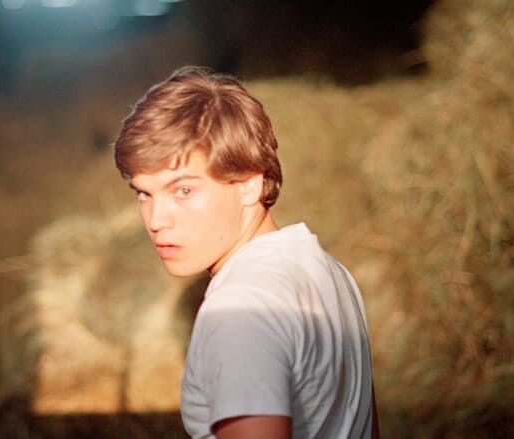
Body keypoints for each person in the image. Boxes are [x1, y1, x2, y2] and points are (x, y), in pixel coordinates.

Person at [114, 66, 377, 438]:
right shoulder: (330, 273)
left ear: (250, 184)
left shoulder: (239, 309)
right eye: (144, 193)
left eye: (183, 190)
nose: (156, 220)